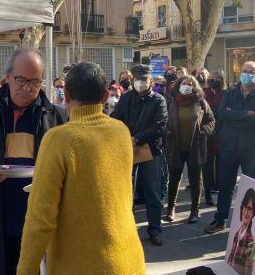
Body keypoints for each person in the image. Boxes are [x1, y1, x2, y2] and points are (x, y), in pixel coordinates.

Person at [16, 62, 145, 275]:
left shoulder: (59, 139)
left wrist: (26, 270)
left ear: (65, 95)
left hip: (81, 265)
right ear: (105, 96)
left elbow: (40, 216)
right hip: (128, 259)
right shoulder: (121, 131)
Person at [0, 48, 66, 275]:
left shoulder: (55, 116)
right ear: (7, 77)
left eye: (35, 82)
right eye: (21, 80)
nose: (27, 88)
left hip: (37, 214)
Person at [112, 64, 168, 246]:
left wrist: (137, 138)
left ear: (151, 80)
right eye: (138, 79)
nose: (141, 83)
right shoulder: (126, 98)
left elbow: (161, 125)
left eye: (144, 79)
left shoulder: (159, 100)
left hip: (151, 150)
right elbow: (115, 118)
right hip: (128, 148)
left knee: (152, 190)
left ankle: (155, 229)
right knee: (127, 190)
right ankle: (127, 227)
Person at [205, 61, 255, 234]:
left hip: (250, 150)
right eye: (244, 71)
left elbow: (230, 115)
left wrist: (234, 117)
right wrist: (247, 114)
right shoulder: (230, 92)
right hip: (228, 147)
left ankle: (248, 225)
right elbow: (222, 113)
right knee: (225, 186)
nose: (247, 74)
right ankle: (220, 220)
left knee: (250, 188)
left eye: (251, 72)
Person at [164, 75, 215, 224]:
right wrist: (166, 132)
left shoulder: (200, 102)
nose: (187, 86)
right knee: (173, 179)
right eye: (184, 83)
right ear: (179, 85)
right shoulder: (171, 101)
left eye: (190, 84)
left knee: (195, 180)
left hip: (195, 147)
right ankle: (170, 208)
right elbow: (163, 119)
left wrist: (203, 131)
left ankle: (194, 210)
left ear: (194, 87)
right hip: (175, 146)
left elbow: (211, 120)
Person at [203, 70, 226, 206]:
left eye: (217, 78)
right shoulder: (203, 93)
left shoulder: (226, 94)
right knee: (207, 165)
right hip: (207, 134)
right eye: (211, 78)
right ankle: (207, 193)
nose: (213, 80)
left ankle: (219, 188)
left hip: (222, 134)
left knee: (221, 164)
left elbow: (225, 113)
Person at [227, 188, 255, 275]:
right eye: (245, 207)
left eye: (250, 209)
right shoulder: (236, 235)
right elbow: (228, 263)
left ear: (253, 213)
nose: (246, 212)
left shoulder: (251, 242)